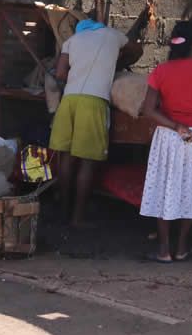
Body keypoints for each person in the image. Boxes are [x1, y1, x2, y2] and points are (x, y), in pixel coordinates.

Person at [139, 21, 192, 262]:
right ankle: (182, 247)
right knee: (191, 190)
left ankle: (164, 250)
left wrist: (175, 125)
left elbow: (148, 110)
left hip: (169, 135)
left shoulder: (161, 71)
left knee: (166, 188)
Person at [50, 17, 143, 227]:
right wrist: (118, 62)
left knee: (67, 158)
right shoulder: (112, 35)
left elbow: (60, 73)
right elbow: (137, 50)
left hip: (69, 100)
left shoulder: (72, 41)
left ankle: (62, 212)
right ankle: (78, 218)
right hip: (93, 101)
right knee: (87, 162)